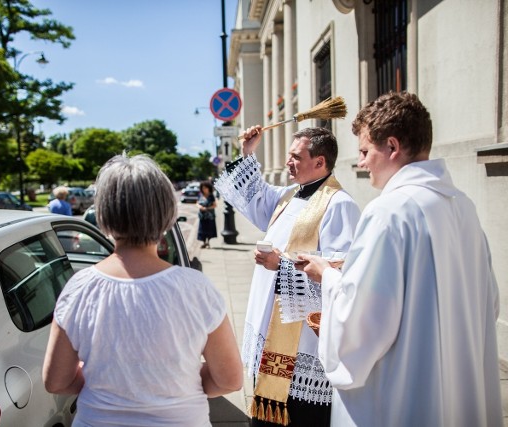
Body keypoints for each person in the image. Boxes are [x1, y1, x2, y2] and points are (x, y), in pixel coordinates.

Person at [301, 92, 502, 426]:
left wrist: (329, 277)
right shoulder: (463, 206)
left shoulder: (388, 211)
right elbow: (489, 302)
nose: (361, 163)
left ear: (392, 147)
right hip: (456, 385)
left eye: (365, 151)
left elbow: (362, 323)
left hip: (403, 395)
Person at [43, 154, 243, 426]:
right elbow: (229, 379)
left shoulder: (78, 288)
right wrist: (181, 384)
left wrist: (108, 382)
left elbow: (56, 381)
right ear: (167, 214)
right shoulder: (196, 288)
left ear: (102, 214)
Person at [215, 127, 361, 426]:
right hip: (271, 339)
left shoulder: (339, 204)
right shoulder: (289, 196)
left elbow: (339, 274)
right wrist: (247, 151)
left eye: (296, 156)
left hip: (301, 346)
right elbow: (254, 196)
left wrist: (279, 265)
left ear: (320, 162)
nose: (288, 163)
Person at [197, 180, 217, 248]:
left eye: (205, 188)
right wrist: (200, 207)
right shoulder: (200, 195)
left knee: (209, 229)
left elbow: (215, 205)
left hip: (210, 216)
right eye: (203, 188)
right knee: (202, 230)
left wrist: (207, 208)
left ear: (208, 188)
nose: (204, 189)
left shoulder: (211, 196)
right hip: (202, 216)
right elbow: (197, 203)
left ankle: (208, 243)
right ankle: (204, 243)